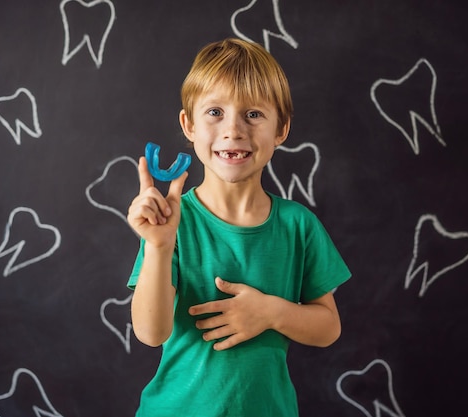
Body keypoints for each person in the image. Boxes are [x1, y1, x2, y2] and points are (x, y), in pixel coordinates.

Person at [126, 38, 351, 417]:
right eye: (215, 111)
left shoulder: (299, 226)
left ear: (281, 129)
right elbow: (151, 334)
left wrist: (271, 313)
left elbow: (328, 327)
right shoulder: (172, 223)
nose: (233, 130)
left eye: (253, 115)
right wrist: (159, 247)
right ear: (189, 125)